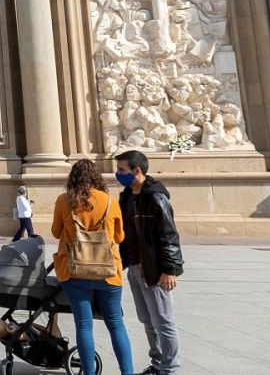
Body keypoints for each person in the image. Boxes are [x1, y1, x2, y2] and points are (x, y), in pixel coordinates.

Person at [51, 158, 136, 375]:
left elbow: (55, 232)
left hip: (75, 270)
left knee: (84, 325)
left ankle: (88, 373)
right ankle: (127, 372)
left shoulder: (63, 201)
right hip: (107, 272)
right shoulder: (110, 201)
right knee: (116, 324)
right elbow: (119, 236)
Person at [115, 150, 185, 375]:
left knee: (163, 322)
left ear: (137, 171)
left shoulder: (156, 197)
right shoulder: (127, 197)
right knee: (147, 320)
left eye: (121, 170)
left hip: (154, 269)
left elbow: (169, 234)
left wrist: (170, 269)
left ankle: (171, 369)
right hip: (135, 267)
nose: (117, 174)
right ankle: (157, 364)